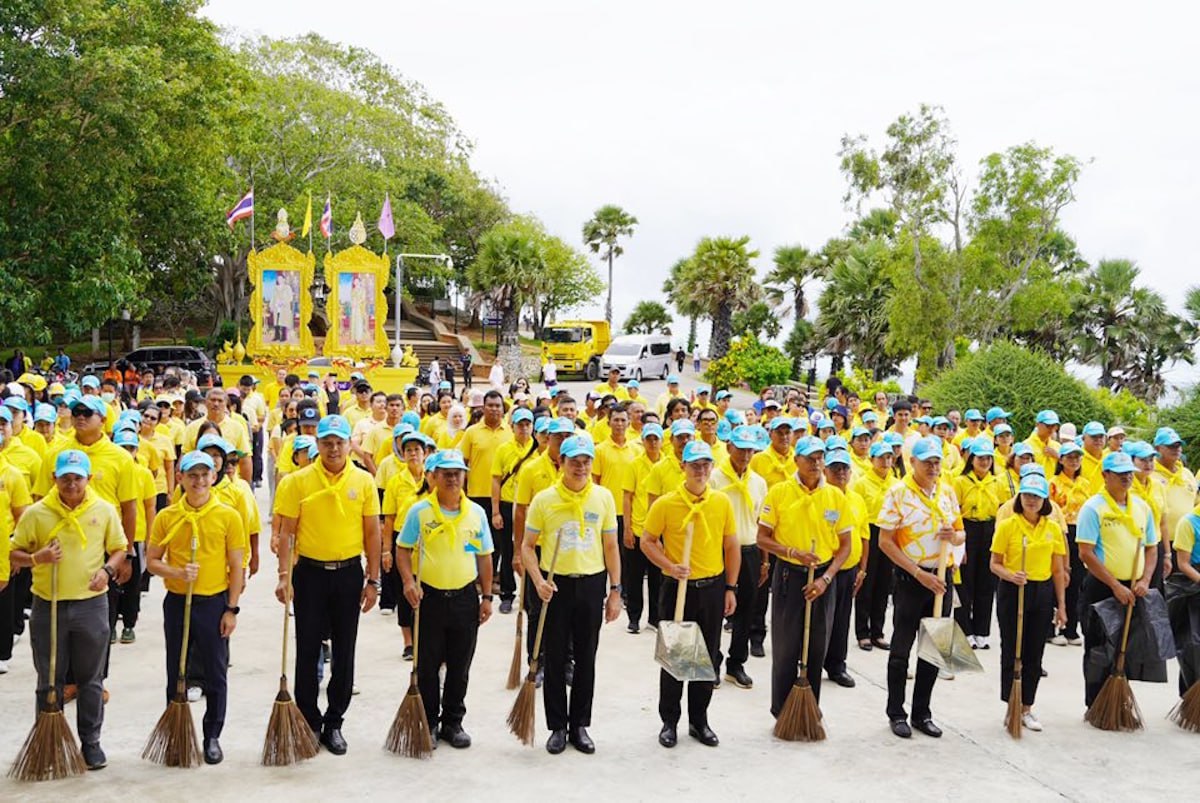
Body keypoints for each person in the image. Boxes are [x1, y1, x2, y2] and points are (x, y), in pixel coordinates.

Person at [10, 450, 127, 770]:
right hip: (48, 605)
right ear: (54, 479)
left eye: (77, 478)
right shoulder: (37, 513)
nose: (71, 484)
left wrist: (106, 571)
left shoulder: (103, 510)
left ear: (89, 479)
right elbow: (14, 552)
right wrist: (38, 558)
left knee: (91, 679)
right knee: (49, 678)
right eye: (65, 478)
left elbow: (119, 548)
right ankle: (48, 743)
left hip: (91, 605)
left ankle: (91, 743)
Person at [273, 415, 382, 754]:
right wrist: (283, 576)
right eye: (327, 442)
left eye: (340, 441)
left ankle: (334, 722)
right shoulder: (297, 482)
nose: (334, 448)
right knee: (306, 649)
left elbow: (372, 532)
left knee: (345, 651)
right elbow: (287, 532)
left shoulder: (363, 481)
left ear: (350, 444)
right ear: (316, 444)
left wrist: (373, 579)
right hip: (309, 574)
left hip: (348, 573)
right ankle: (308, 720)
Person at [522, 435, 622, 755]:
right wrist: (537, 581)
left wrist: (615, 591)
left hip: (591, 585)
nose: (581, 467)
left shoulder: (604, 498)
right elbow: (526, 547)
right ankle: (558, 727)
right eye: (574, 461)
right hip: (555, 586)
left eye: (586, 461)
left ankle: (580, 724)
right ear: (561, 463)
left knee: (586, 658)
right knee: (553, 659)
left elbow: (610, 546)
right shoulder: (544, 500)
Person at [147, 450, 246, 764]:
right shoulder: (167, 517)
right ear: (180, 478)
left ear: (213, 477)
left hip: (213, 603)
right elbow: (151, 562)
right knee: (176, 669)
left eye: (204, 474)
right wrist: (176, 572)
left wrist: (232, 609)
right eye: (192, 475)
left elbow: (236, 567)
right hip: (177, 601)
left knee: (216, 673)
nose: (199, 480)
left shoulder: (228, 515)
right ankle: (177, 732)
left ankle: (212, 735)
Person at [641, 441, 738, 747]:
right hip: (677, 589)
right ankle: (669, 721)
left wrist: (730, 587)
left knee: (706, 658)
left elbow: (731, 545)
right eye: (694, 465)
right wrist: (669, 565)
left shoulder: (721, 502)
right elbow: (647, 541)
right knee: (675, 657)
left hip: (711, 588)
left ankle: (699, 721)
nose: (700, 470)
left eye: (705, 465)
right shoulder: (666, 504)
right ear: (683, 467)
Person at [396, 450, 493, 748]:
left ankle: (454, 722)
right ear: (434, 476)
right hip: (430, 598)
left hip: (465, 597)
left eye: (458, 473)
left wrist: (487, 596)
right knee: (427, 665)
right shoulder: (419, 512)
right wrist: (409, 582)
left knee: (460, 665)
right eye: (446, 473)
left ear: (465, 476)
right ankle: (428, 721)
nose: (452, 478)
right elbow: (402, 550)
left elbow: (483, 556)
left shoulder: (475, 514)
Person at [876, 436, 966, 739]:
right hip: (911, 580)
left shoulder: (947, 492)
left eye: (937, 461)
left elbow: (961, 535)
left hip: (942, 579)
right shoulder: (898, 493)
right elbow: (885, 542)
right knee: (901, 649)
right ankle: (896, 712)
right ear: (912, 462)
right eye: (926, 461)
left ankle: (922, 713)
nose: (933, 466)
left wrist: (952, 536)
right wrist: (917, 573)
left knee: (934, 650)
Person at [757, 436, 851, 718]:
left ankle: (810, 709)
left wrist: (826, 579)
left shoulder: (835, 495)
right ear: (796, 460)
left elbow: (845, 545)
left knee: (817, 646)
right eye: (809, 458)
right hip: (789, 574)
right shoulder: (779, 492)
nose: (816, 463)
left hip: (822, 578)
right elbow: (761, 538)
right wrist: (791, 552)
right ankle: (781, 709)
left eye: (820, 457)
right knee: (786, 647)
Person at [1075, 451, 1159, 710]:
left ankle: (1118, 701)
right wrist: (1115, 586)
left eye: (1129, 474)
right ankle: (1095, 703)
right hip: (1102, 586)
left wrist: (1145, 579)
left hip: (1134, 587)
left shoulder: (1142, 507)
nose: (1127, 478)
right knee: (1099, 647)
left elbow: (1151, 548)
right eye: (1120, 474)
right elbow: (1086, 553)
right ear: (1105, 475)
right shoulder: (1093, 508)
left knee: (1127, 645)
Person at [990, 474, 1067, 732]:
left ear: (1044, 499)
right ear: (1019, 498)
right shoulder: (1008, 525)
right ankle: (1010, 705)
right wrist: (1010, 575)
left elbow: (1058, 571)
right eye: (1026, 495)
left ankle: (1027, 708)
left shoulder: (1053, 528)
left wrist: (1062, 606)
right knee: (1012, 649)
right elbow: (994, 563)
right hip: (1013, 590)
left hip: (1042, 591)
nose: (1031, 500)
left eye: (1036, 496)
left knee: (1035, 652)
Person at [710, 425, 768, 689]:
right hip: (718, 552)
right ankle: (712, 662)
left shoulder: (758, 483)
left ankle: (736, 663)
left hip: (750, 550)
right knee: (714, 610)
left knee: (747, 609)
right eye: (740, 449)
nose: (745, 455)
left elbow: (761, 522)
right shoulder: (714, 479)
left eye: (750, 450)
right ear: (728, 447)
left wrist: (765, 559)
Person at [821, 449, 869, 688]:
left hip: (849, 568)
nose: (841, 473)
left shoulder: (857, 499)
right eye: (835, 468)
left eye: (844, 468)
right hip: (824, 569)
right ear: (825, 470)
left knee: (841, 619)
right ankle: (811, 661)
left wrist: (862, 569)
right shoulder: (821, 496)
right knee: (821, 620)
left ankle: (837, 665)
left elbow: (864, 535)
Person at [459, 390, 512, 602]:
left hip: (501, 497)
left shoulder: (509, 432)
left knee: (498, 541)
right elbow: (462, 463)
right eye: (490, 405)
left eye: (497, 405)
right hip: (476, 495)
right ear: (483, 407)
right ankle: (474, 580)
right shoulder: (471, 432)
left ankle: (492, 579)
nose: (494, 409)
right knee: (474, 540)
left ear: (503, 408)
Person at [952, 440, 1002, 649]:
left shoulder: (996, 482)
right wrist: (959, 544)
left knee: (986, 583)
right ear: (971, 459)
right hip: (968, 529)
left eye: (988, 458)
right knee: (965, 582)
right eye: (980, 458)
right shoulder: (960, 481)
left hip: (989, 529)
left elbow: (1000, 510)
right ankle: (965, 630)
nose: (985, 462)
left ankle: (982, 631)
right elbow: (955, 512)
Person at [490, 408, 537, 615]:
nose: (524, 428)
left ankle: (528, 594)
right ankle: (507, 594)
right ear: (512, 426)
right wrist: (496, 511)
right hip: (509, 504)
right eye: (520, 425)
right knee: (509, 550)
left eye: (528, 424)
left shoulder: (538, 449)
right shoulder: (503, 449)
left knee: (530, 550)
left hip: (532, 506)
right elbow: (496, 480)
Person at [622, 422, 665, 634]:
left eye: (656, 438)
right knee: (634, 577)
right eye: (649, 439)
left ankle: (655, 618)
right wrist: (627, 528)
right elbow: (627, 497)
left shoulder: (667, 464)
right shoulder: (634, 465)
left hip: (659, 531)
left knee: (658, 577)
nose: (653, 442)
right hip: (639, 529)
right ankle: (634, 617)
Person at [1049, 442, 1091, 646]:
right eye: (1069, 457)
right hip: (1059, 532)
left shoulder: (1085, 483)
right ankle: (1051, 628)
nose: (1074, 461)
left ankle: (1071, 628)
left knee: (1076, 582)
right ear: (1061, 459)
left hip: (1080, 532)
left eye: (1077, 457)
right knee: (1057, 578)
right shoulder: (1054, 483)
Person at [183, 388, 252, 481]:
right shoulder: (192, 427)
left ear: (226, 403)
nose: (216, 404)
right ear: (205, 402)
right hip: (201, 483)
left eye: (220, 401)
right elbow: (185, 457)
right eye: (212, 400)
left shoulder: (237, 427)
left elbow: (245, 460)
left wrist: (246, 486)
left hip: (230, 484)